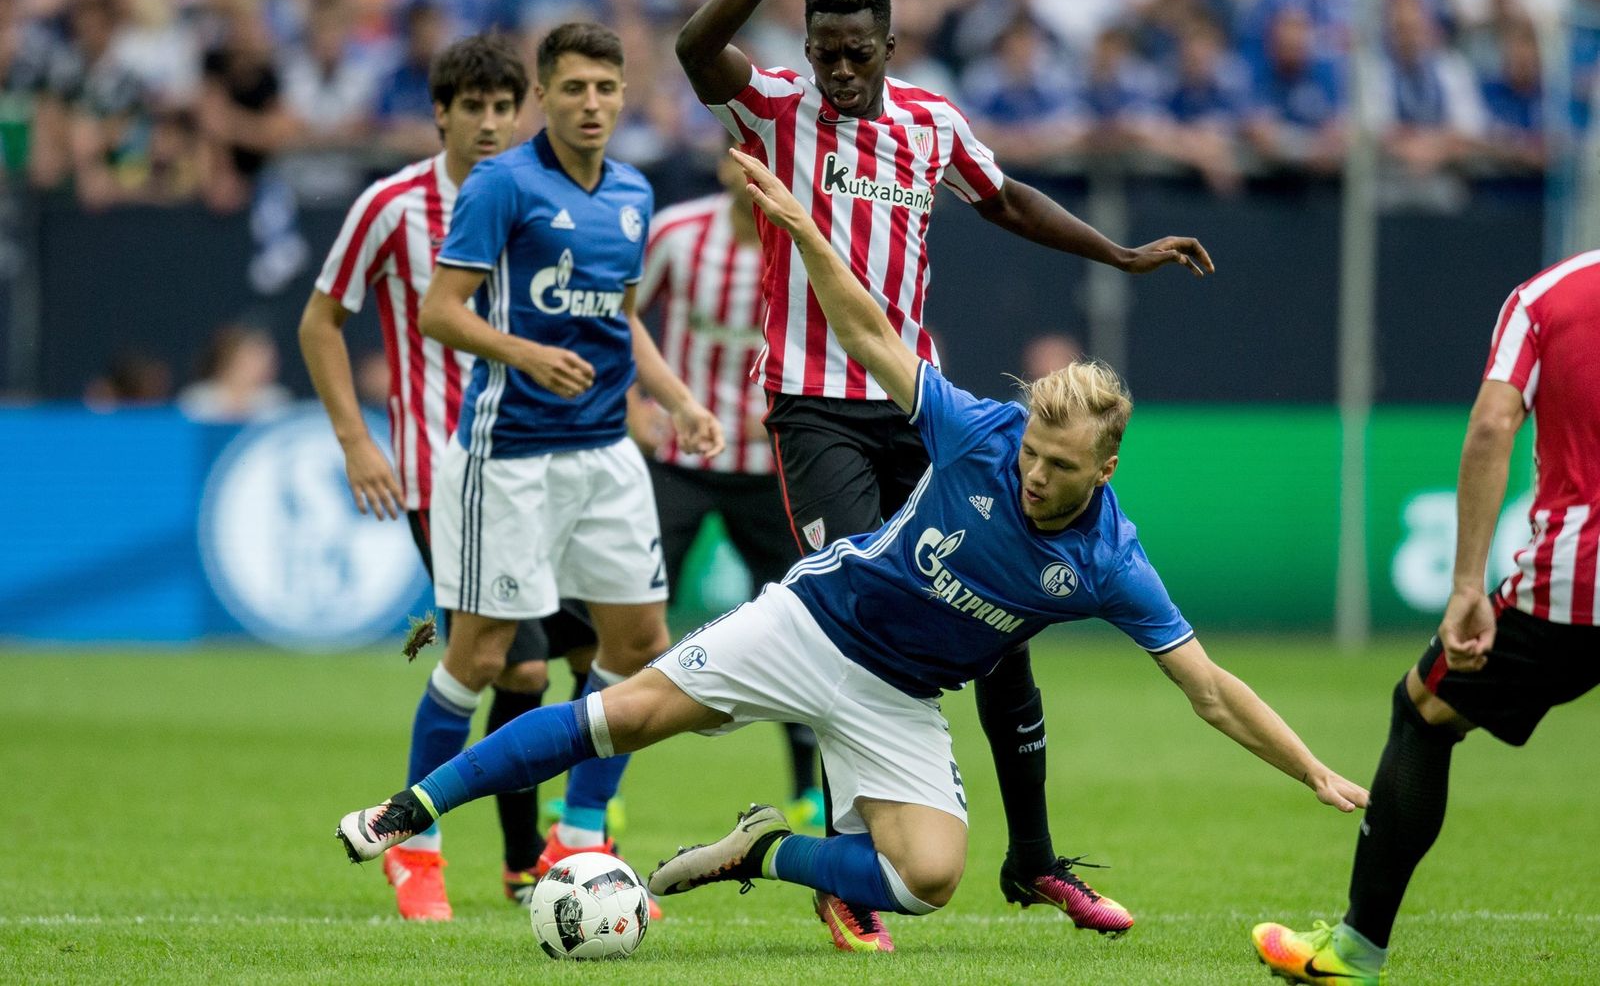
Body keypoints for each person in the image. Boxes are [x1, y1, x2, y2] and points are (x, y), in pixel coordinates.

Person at [334, 148, 1367, 957]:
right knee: (624, 716)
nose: (1034, 475)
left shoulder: (1108, 561)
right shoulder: (979, 431)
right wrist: (797, 226)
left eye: (1060, 465)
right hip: (811, 626)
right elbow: (871, 333)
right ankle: (412, 807)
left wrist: (1314, 772)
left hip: (897, 699)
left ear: (1106, 466)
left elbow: (1210, 691)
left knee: (927, 880)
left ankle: (763, 850)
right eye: (1035, 452)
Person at [671, 0, 1214, 951]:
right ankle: (845, 861)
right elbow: (694, 52)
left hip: (915, 408)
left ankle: (1033, 859)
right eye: (822, 45)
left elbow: (1006, 199)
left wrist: (1114, 251)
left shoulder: (929, 125)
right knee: (850, 618)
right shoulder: (774, 106)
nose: (835, 65)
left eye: (854, 50)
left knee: (999, 617)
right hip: (814, 410)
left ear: (887, 42)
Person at [404, 21, 723, 907]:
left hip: (604, 453)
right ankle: (416, 844)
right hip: (507, 457)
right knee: (481, 658)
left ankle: (577, 833)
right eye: (574, 89)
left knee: (642, 643)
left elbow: (621, 317)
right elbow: (440, 311)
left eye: (606, 89)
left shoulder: (632, 191)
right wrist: (524, 353)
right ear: (542, 95)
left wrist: (678, 399)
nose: (591, 104)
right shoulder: (502, 184)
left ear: (624, 96)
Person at [299, 32, 599, 921]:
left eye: (507, 107)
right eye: (474, 107)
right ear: (442, 113)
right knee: (512, 663)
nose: (492, 123)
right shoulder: (393, 205)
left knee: (593, 654)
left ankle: (531, 859)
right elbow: (321, 322)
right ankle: (419, 850)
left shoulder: (548, 199)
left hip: (552, 464)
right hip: (447, 471)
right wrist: (359, 441)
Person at [1252, 249, 1600, 986]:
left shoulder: (1546, 299)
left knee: (1424, 710)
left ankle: (1354, 950)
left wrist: (1467, 583)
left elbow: (1491, 427)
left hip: (1580, 583)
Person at [632, 152, 822, 828]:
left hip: (774, 468)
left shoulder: (811, 240)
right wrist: (635, 405)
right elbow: (611, 313)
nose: (755, 174)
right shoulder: (678, 233)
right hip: (677, 459)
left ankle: (810, 788)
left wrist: (790, 411)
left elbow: (849, 337)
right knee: (629, 619)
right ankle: (601, 793)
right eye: (742, 157)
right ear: (718, 167)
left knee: (803, 627)